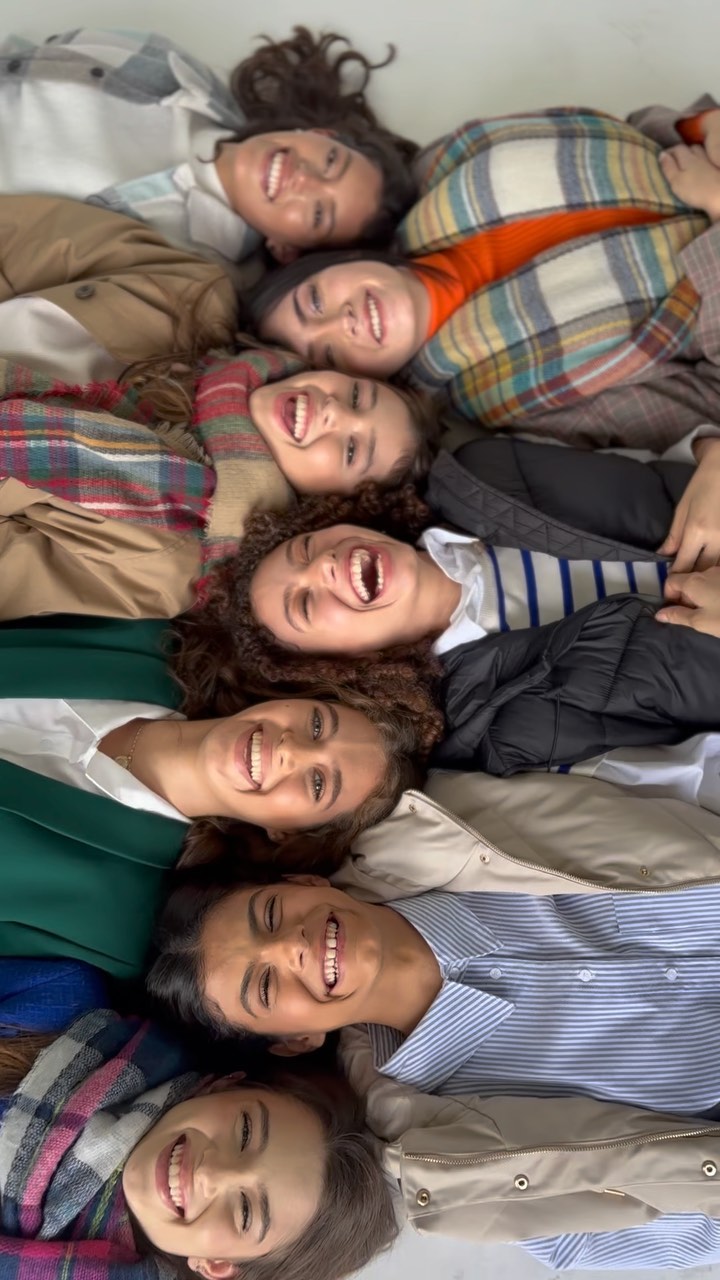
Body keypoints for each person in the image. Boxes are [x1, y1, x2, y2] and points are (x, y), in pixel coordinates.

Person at [148, 865, 720, 1271]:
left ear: (305, 881)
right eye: (265, 988)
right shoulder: (490, 1163)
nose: (288, 947)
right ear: (296, 1041)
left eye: (271, 913)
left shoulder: (450, 832)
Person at [181, 461, 720, 775]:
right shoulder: (495, 725)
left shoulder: (480, 476)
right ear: (338, 665)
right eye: (304, 605)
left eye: (304, 549)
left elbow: (663, 471)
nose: (321, 566)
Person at [249, 103, 720, 450]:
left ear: (332, 260)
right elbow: (708, 400)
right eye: (330, 353)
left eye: (314, 302)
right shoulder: (520, 403)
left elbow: (625, 132)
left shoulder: (438, 168)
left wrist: (701, 127)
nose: (342, 322)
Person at [0, 614, 418, 976]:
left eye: (318, 784)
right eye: (317, 725)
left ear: (287, 833)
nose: (291, 750)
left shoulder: (106, 926)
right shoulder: (141, 639)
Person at [0, 347, 433, 620]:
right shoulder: (192, 364)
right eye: (357, 395)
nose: (336, 411)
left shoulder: (176, 555)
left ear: (328, 501)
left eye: (351, 451)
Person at [0, 1006, 398, 1280]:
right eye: (245, 1132)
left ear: (217, 1266)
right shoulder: (66, 1006)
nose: (211, 1173)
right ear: (224, 1085)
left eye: (245, 1211)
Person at [0, 27, 417, 272]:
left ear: (285, 248)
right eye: (330, 160)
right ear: (318, 133)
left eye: (319, 213)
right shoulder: (177, 71)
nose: (305, 179)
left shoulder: (183, 261)